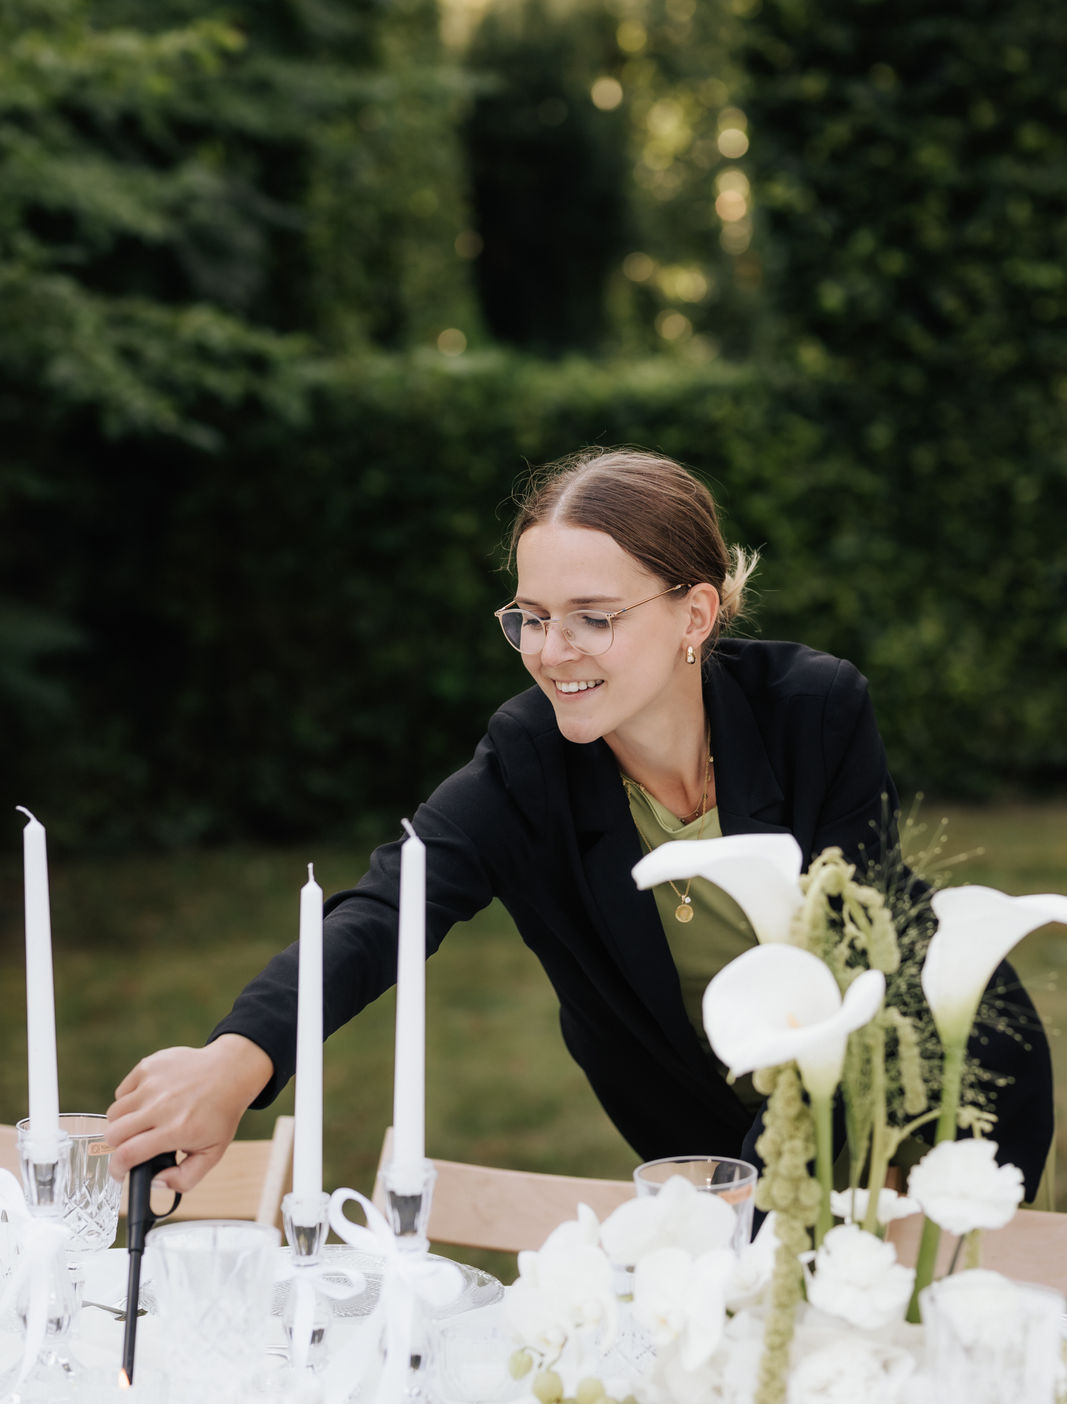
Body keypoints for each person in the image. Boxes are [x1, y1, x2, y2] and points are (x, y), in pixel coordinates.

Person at [105, 448, 1054, 1199]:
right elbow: (384, 910)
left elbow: (864, 957)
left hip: (931, 1107)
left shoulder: (812, 710)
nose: (550, 653)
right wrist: (235, 1060)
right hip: (719, 1155)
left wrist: (832, 1187)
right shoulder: (528, 762)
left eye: (592, 619)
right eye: (529, 617)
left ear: (695, 612)